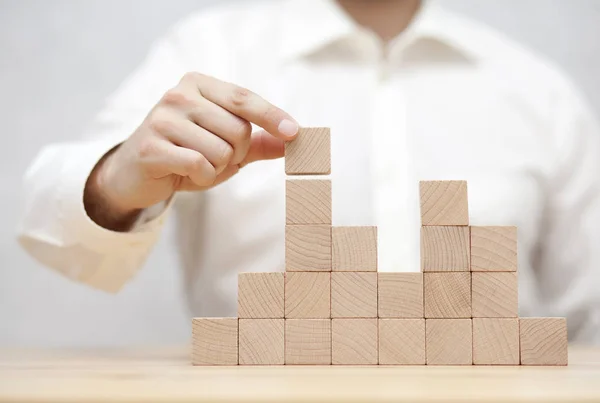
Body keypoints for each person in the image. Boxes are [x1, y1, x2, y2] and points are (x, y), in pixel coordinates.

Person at [18, 0, 600, 343]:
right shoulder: (210, 49)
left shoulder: (537, 89)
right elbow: (57, 231)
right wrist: (119, 177)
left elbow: (586, 316)